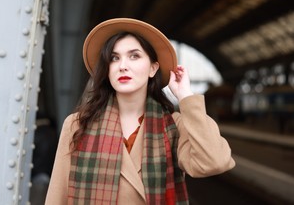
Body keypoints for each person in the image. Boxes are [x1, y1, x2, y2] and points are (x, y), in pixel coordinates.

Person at [45, 18, 235, 204]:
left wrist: (185, 96)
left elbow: (214, 162)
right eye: (114, 58)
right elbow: (57, 196)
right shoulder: (78, 124)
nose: (123, 66)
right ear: (107, 69)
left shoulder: (173, 126)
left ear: (153, 68)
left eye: (134, 56)